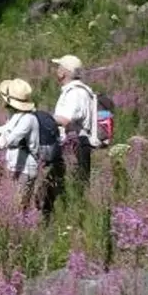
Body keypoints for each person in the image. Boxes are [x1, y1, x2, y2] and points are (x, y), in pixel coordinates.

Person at [0, 79, 62, 220]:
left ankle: (23, 233)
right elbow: (7, 129)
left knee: (19, 205)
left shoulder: (28, 118)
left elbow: (14, 136)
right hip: (15, 165)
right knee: (14, 202)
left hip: (25, 168)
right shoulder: (17, 115)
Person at [51, 54, 100, 195]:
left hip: (75, 143)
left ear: (64, 72)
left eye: (59, 67)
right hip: (76, 143)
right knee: (76, 186)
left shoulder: (75, 93)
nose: (57, 70)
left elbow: (66, 119)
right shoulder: (77, 91)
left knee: (76, 188)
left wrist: (43, 118)